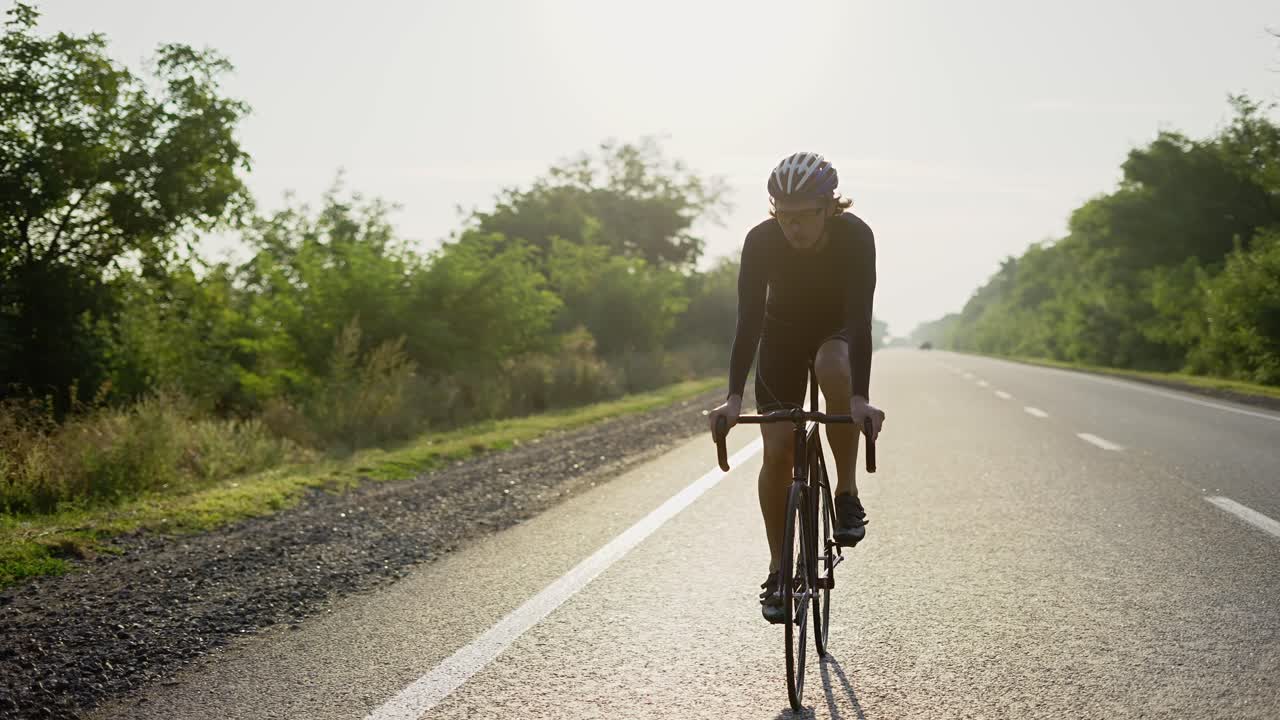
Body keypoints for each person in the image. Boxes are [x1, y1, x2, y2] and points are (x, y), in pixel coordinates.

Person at [706, 151, 886, 624]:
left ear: (829, 207)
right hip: (780, 335)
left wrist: (860, 399)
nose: (795, 229)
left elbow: (861, 321)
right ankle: (779, 569)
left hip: (837, 331)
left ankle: (846, 493)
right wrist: (732, 397)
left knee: (831, 363)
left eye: (805, 217)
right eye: (785, 217)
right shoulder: (762, 241)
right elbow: (747, 321)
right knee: (778, 446)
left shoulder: (855, 236)